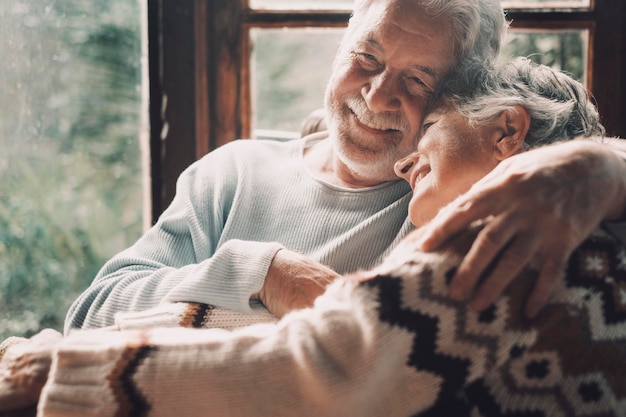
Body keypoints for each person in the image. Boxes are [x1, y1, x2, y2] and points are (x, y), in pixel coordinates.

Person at [3, 58, 625, 417]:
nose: (406, 162)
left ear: (508, 131)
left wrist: (59, 368)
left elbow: (310, 369)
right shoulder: (599, 227)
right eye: (367, 59)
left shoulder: (492, 250)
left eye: (428, 117)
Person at [64, 0, 511, 331]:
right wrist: (261, 273)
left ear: (456, 101)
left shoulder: (443, 204)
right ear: (341, 49)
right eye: (367, 58)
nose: (376, 96)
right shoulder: (233, 172)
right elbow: (90, 316)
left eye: (417, 80)